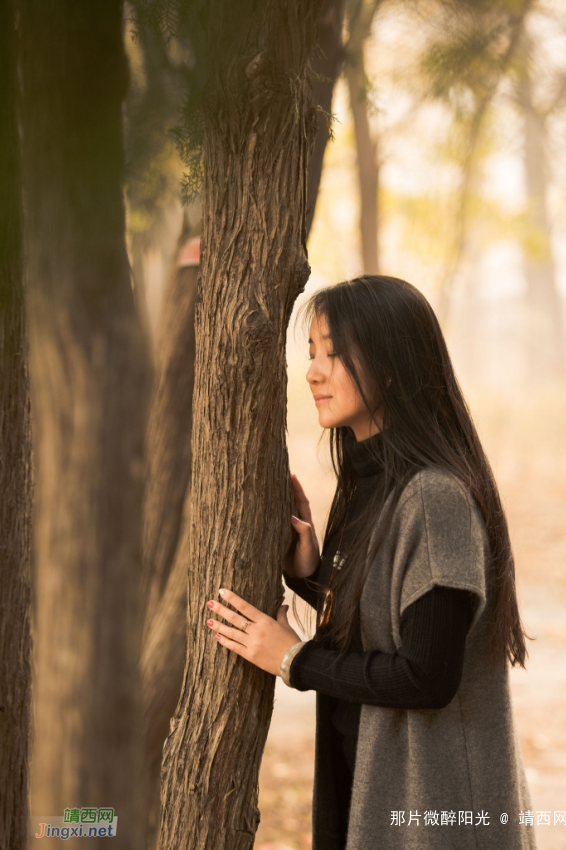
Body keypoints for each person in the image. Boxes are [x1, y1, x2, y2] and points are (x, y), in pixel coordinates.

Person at [204, 275, 536, 850]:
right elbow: (394, 618)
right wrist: (312, 577)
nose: (312, 371)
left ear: (389, 362)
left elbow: (426, 675)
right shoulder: (372, 485)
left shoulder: (435, 498)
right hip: (382, 797)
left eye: (332, 352)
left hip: (440, 812)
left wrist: (294, 661)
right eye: (311, 354)